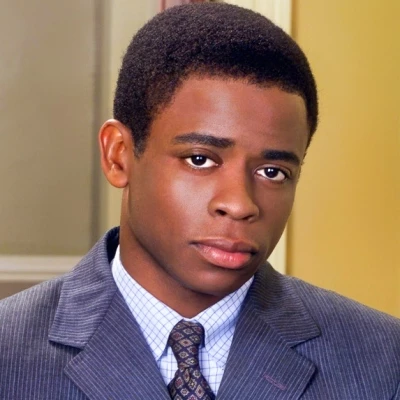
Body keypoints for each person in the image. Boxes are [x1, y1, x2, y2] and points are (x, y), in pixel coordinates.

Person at [0, 3, 399, 400]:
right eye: (200, 160)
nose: (240, 204)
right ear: (118, 155)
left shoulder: (384, 363)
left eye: (272, 172)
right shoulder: (8, 353)